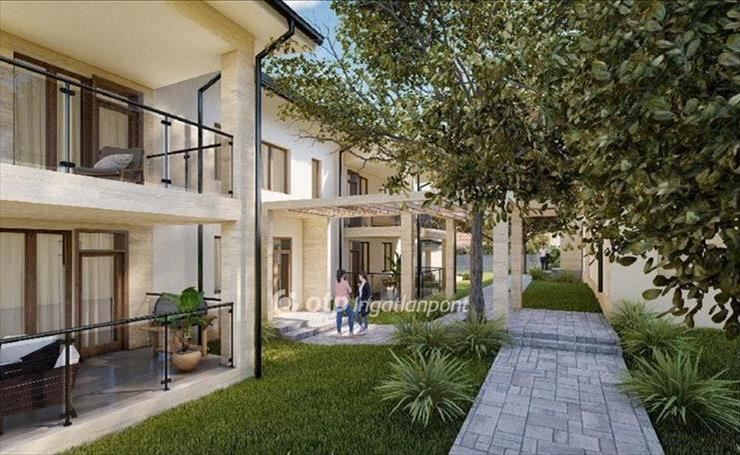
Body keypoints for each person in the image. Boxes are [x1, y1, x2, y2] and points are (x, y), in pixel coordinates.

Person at [334, 269, 354, 336]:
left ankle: (339, 332)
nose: (346, 275)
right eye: (345, 274)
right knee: (350, 315)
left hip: (337, 300)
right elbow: (350, 290)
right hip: (344, 300)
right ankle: (351, 332)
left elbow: (337, 291)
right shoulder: (345, 282)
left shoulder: (336, 282)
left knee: (339, 316)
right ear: (343, 275)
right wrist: (347, 292)